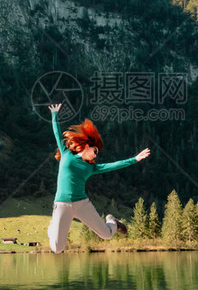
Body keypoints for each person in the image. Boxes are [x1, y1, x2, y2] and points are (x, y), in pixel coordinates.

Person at [46, 103, 150, 253]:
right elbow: (57, 133)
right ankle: (52, 226)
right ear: (87, 146)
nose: (96, 155)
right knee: (57, 248)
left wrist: (134, 159)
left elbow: (114, 165)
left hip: (82, 204)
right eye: (95, 151)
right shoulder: (66, 153)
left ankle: (112, 221)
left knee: (106, 234)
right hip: (62, 204)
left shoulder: (91, 167)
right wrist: (54, 114)